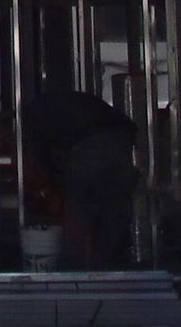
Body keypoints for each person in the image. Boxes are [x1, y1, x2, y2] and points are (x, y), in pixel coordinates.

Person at [20, 89, 139, 270]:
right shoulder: (59, 103)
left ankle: (72, 267)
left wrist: (55, 186)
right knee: (113, 204)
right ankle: (112, 263)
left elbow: (41, 156)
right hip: (121, 134)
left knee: (78, 207)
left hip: (92, 139)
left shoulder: (33, 116)